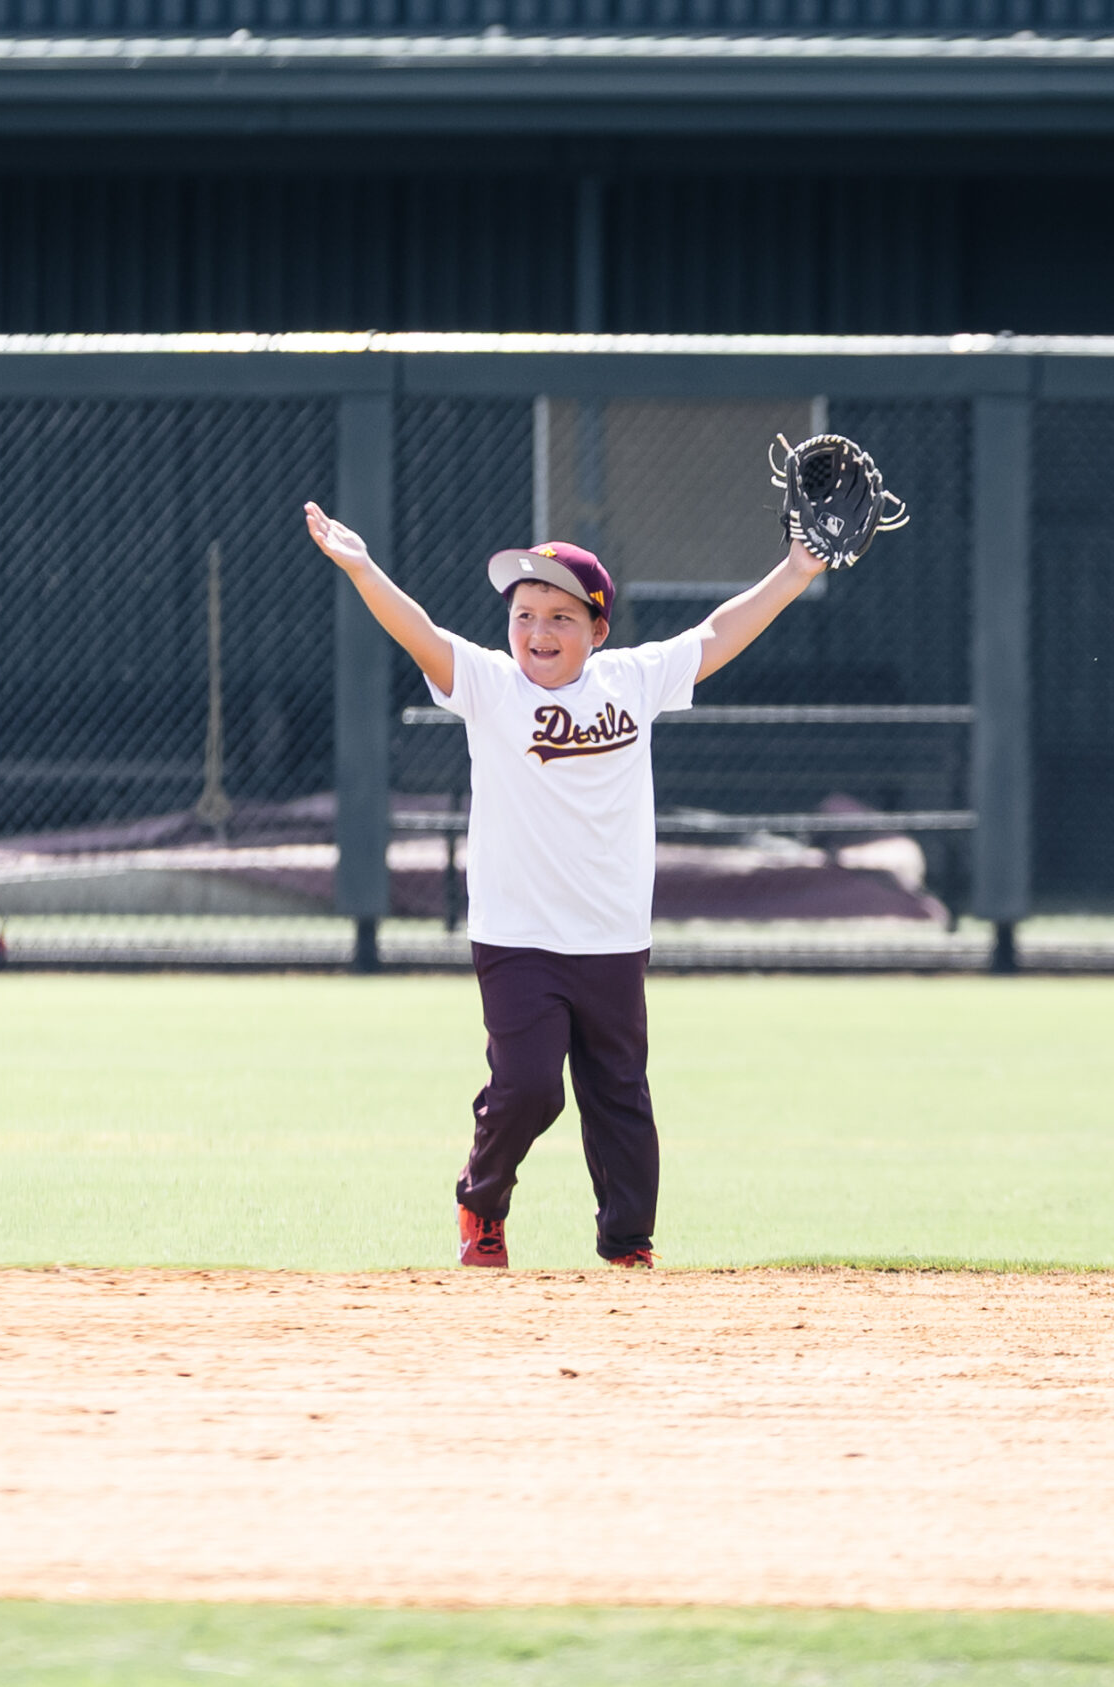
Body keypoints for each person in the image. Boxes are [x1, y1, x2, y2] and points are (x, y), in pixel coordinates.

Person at [303, 501, 829, 1269]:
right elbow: (417, 630)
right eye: (523, 614)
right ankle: (480, 1203)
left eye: (559, 616)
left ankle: (626, 1245)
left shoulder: (633, 681)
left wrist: (795, 570)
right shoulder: (489, 686)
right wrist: (361, 568)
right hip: (516, 935)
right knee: (528, 1088)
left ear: (597, 630)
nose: (538, 632)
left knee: (619, 1096)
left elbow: (718, 634)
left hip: (613, 935)